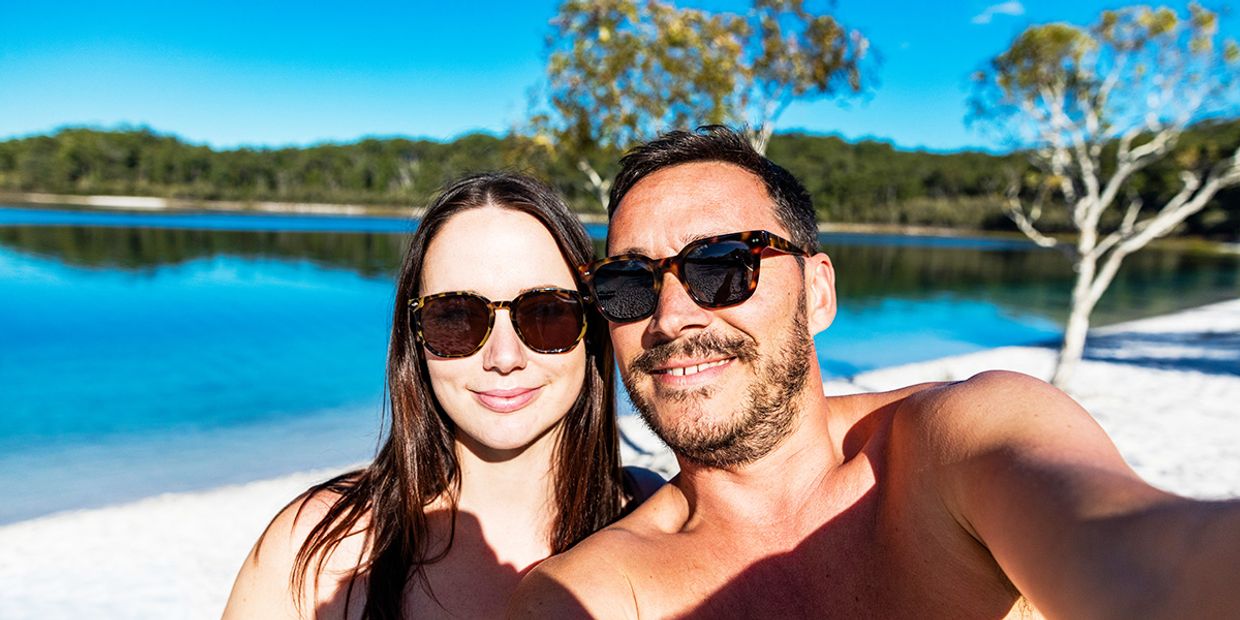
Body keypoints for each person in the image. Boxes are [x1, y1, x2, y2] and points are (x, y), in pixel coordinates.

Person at [509, 126, 1240, 618]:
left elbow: (1135, 549)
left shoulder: (957, 446)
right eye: (629, 284)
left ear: (818, 292)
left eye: (723, 265)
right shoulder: (597, 594)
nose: (669, 319)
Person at [223, 172, 661, 618]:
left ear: (592, 329)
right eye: (456, 317)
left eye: (546, 312)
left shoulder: (655, 518)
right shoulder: (315, 551)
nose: (504, 357)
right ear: (414, 338)